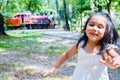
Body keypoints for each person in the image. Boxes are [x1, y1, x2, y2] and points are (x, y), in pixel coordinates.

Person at [42, 12, 120, 80]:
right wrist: (54, 67)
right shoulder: (81, 44)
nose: (94, 29)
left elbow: (117, 57)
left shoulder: (105, 47)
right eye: (91, 25)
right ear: (85, 27)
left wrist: (115, 61)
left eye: (100, 27)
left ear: (106, 32)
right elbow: (66, 55)